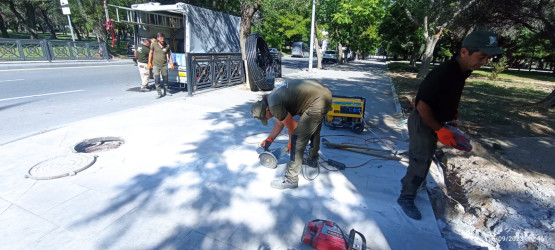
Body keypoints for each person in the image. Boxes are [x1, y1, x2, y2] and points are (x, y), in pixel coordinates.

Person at [397, 30, 504, 220]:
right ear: (464, 52)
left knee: (428, 156)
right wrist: (440, 130)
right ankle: (406, 197)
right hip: (424, 120)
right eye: (481, 56)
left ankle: (413, 182)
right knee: (420, 160)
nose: (485, 62)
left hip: (435, 119)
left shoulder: (463, 70)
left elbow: (443, 96)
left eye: (488, 58)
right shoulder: (445, 72)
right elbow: (422, 106)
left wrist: (450, 111)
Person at [251, 79, 332, 189]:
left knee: (297, 139)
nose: (267, 119)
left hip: (317, 100)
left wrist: (291, 144)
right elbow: (280, 122)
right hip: (321, 94)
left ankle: (291, 179)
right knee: (312, 129)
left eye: (265, 117)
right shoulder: (271, 99)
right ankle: (312, 159)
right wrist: (269, 139)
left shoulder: (274, 106)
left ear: (267, 110)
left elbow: (293, 127)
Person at [148, 32, 174, 99]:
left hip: (164, 65)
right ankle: (159, 92)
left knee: (165, 79)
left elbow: (169, 55)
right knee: (157, 79)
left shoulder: (167, 45)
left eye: (163, 37)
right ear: (158, 38)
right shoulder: (154, 44)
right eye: (160, 37)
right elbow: (150, 53)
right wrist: (149, 62)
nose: (162, 38)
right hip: (156, 65)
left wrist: (171, 63)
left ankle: (166, 91)